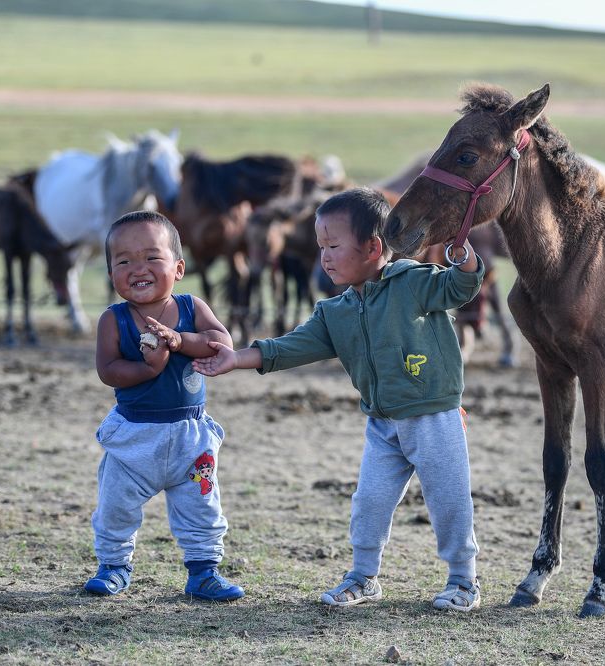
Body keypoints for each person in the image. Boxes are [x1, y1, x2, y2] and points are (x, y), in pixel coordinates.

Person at [194, 187, 485, 611]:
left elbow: (462, 285)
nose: (324, 257)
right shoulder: (336, 311)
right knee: (368, 502)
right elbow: (288, 347)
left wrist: (463, 253)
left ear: (373, 247)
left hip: (434, 419)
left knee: (449, 502)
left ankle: (463, 580)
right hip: (383, 425)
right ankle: (363, 577)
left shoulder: (415, 282)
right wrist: (235, 357)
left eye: (333, 246)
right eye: (320, 247)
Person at [84, 210, 244, 602]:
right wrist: (147, 367)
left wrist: (178, 340)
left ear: (178, 267)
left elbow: (220, 342)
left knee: (202, 506)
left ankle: (204, 571)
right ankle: (114, 566)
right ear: (111, 274)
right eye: (123, 261)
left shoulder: (192, 307)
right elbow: (108, 371)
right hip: (135, 436)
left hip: (191, 437)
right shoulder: (114, 319)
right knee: (116, 507)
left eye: (152, 257)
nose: (138, 268)